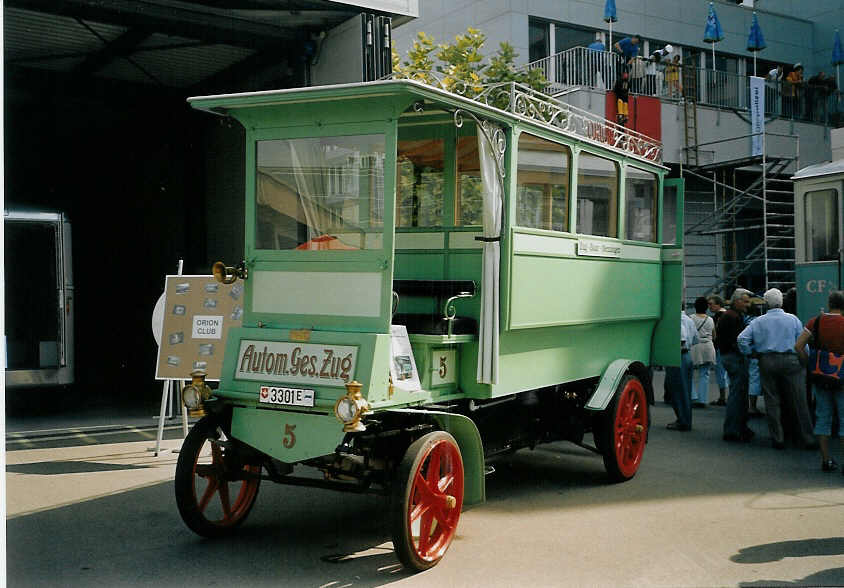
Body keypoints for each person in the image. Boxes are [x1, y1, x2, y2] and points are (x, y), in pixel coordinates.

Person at [737, 288, 816, 450]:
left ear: (766, 303)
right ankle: (806, 437)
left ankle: (777, 437)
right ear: (781, 302)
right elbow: (802, 343)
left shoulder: (758, 321)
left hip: (767, 360)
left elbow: (742, 339)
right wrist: (804, 361)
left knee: (772, 400)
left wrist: (751, 353)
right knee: (799, 399)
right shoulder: (792, 319)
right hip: (791, 361)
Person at [794, 290, 844, 473]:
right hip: (842, 377)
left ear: (829, 304)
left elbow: (798, 346)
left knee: (823, 417)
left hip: (820, 376)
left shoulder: (815, 322)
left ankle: (826, 460)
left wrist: (809, 363)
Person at [717, 288, 755, 443]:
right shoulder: (733, 317)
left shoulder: (730, 315)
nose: (747, 304)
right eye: (745, 301)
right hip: (734, 358)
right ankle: (733, 429)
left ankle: (738, 427)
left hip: (729, 356)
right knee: (737, 394)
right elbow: (737, 341)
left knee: (737, 393)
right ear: (737, 301)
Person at [667, 307, 698, 431]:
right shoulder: (689, 319)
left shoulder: (676, 320)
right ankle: (685, 419)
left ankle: (683, 420)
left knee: (678, 391)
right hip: (687, 355)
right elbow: (696, 339)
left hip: (677, 355)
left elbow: (681, 337)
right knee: (685, 391)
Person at [690, 297, 716, 407]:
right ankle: (703, 399)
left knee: (689, 373)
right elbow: (714, 335)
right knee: (704, 374)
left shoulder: (691, 318)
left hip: (696, 346)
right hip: (708, 346)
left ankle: (693, 396)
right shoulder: (710, 319)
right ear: (707, 308)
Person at [707, 294, 729, 405]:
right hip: (729, 348)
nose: (709, 307)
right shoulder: (728, 314)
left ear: (718, 304)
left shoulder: (717, 317)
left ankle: (722, 397)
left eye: (711, 304)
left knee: (720, 373)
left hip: (719, 347)